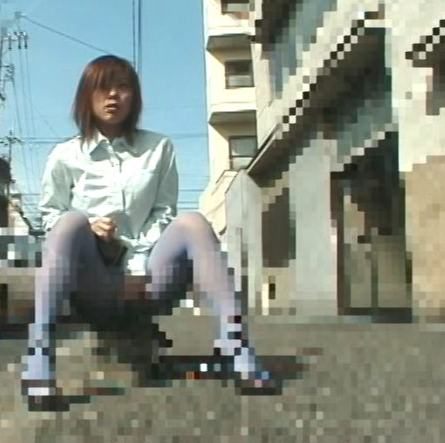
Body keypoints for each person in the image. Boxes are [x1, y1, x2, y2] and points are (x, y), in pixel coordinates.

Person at [21, 55, 279, 411]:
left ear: (135, 97)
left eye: (122, 87)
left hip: (149, 278)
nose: (113, 95)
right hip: (94, 284)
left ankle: (235, 346)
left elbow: (164, 212)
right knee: (69, 222)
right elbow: (50, 217)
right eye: (102, 87)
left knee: (192, 222)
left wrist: (137, 265)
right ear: (86, 96)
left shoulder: (159, 148)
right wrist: (89, 227)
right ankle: (39, 357)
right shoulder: (65, 155)